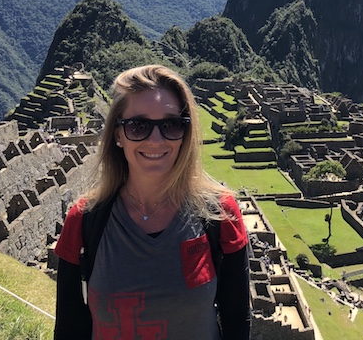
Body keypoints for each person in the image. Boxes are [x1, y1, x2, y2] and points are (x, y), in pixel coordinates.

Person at [54, 65, 251, 339]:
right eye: (139, 126)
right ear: (118, 135)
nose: (156, 140)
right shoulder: (84, 220)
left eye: (171, 125)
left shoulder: (220, 214)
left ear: (186, 133)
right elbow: (69, 327)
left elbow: (237, 321)